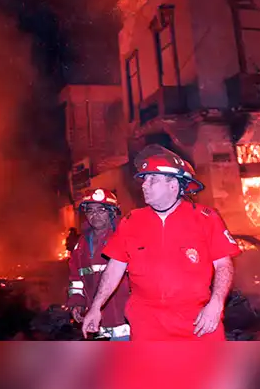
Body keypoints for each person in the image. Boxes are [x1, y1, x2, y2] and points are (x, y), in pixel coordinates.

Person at [82, 145, 242, 341]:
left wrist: (216, 304)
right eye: (144, 179)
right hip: (147, 325)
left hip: (197, 321)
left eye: (153, 179)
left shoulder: (206, 218)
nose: (144, 185)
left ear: (173, 185)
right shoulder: (131, 221)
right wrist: (96, 307)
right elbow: (115, 268)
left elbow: (223, 265)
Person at [67, 188, 131, 341]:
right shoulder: (81, 245)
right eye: (90, 210)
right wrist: (77, 303)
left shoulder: (124, 238)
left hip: (126, 324)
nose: (95, 215)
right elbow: (76, 280)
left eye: (101, 210)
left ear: (112, 212)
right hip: (97, 326)